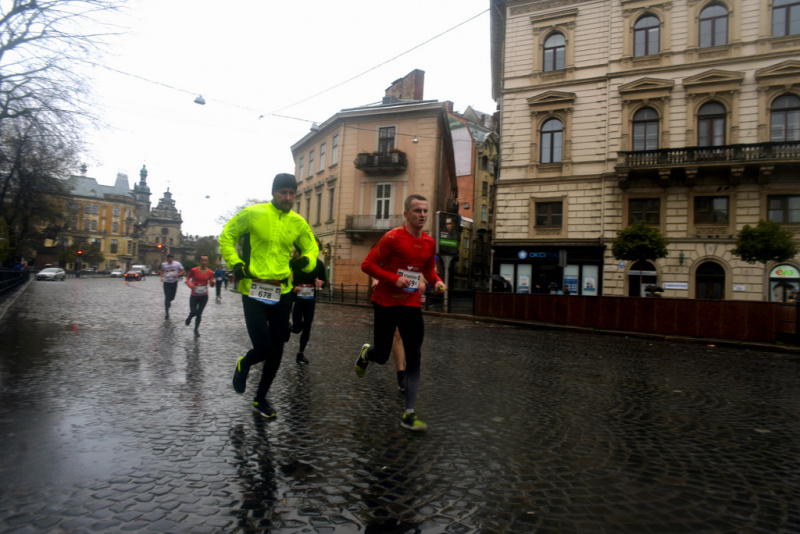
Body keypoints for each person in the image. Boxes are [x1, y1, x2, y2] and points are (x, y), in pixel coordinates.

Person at [219, 173, 319, 419]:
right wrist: (236, 262)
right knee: (263, 347)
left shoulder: (298, 222)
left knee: (277, 350)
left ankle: (261, 398)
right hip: (253, 289)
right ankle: (244, 363)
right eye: (283, 192)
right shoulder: (253, 213)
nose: (287, 197)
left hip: (282, 292)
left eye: (292, 193)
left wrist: (307, 262)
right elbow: (226, 237)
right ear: (273, 192)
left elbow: (312, 247)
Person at [357, 194, 446, 431]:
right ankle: (367, 355)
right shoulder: (392, 238)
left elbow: (428, 270)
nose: (423, 215)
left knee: (414, 355)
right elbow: (367, 265)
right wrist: (394, 279)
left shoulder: (429, 243)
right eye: (417, 211)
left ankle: (409, 413)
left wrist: (437, 281)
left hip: (411, 304)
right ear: (406, 214)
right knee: (382, 354)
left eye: (425, 211)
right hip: (385, 303)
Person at [287, 241, 327, 365]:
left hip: (310, 300)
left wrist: (321, 283)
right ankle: (288, 328)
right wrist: (293, 287)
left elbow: (324, 281)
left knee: (307, 326)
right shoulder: (296, 261)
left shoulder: (319, 264)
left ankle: (300, 354)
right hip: (297, 298)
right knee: (297, 328)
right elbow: (285, 276)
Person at [185, 255, 215, 336]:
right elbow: (187, 278)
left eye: (205, 260)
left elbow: (211, 283)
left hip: (204, 296)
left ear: (207, 262)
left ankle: (196, 329)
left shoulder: (210, 272)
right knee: (194, 312)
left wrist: (212, 282)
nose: (204, 262)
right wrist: (191, 286)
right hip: (194, 295)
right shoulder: (194, 270)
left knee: (199, 313)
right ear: (200, 261)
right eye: (202, 260)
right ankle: (190, 317)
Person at [160, 254, 185, 319]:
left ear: (173, 258)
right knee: (167, 297)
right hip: (166, 282)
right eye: (168, 258)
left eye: (171, 258)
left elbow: (183, 271)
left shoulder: (177, 264)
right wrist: (162, 277)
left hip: (174, 282)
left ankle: (169, 301)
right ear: (167, 259)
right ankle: (166, 313)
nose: (170, 260)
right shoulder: (164, 264)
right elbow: (162, 271)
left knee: (172, 297)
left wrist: (178, 274)